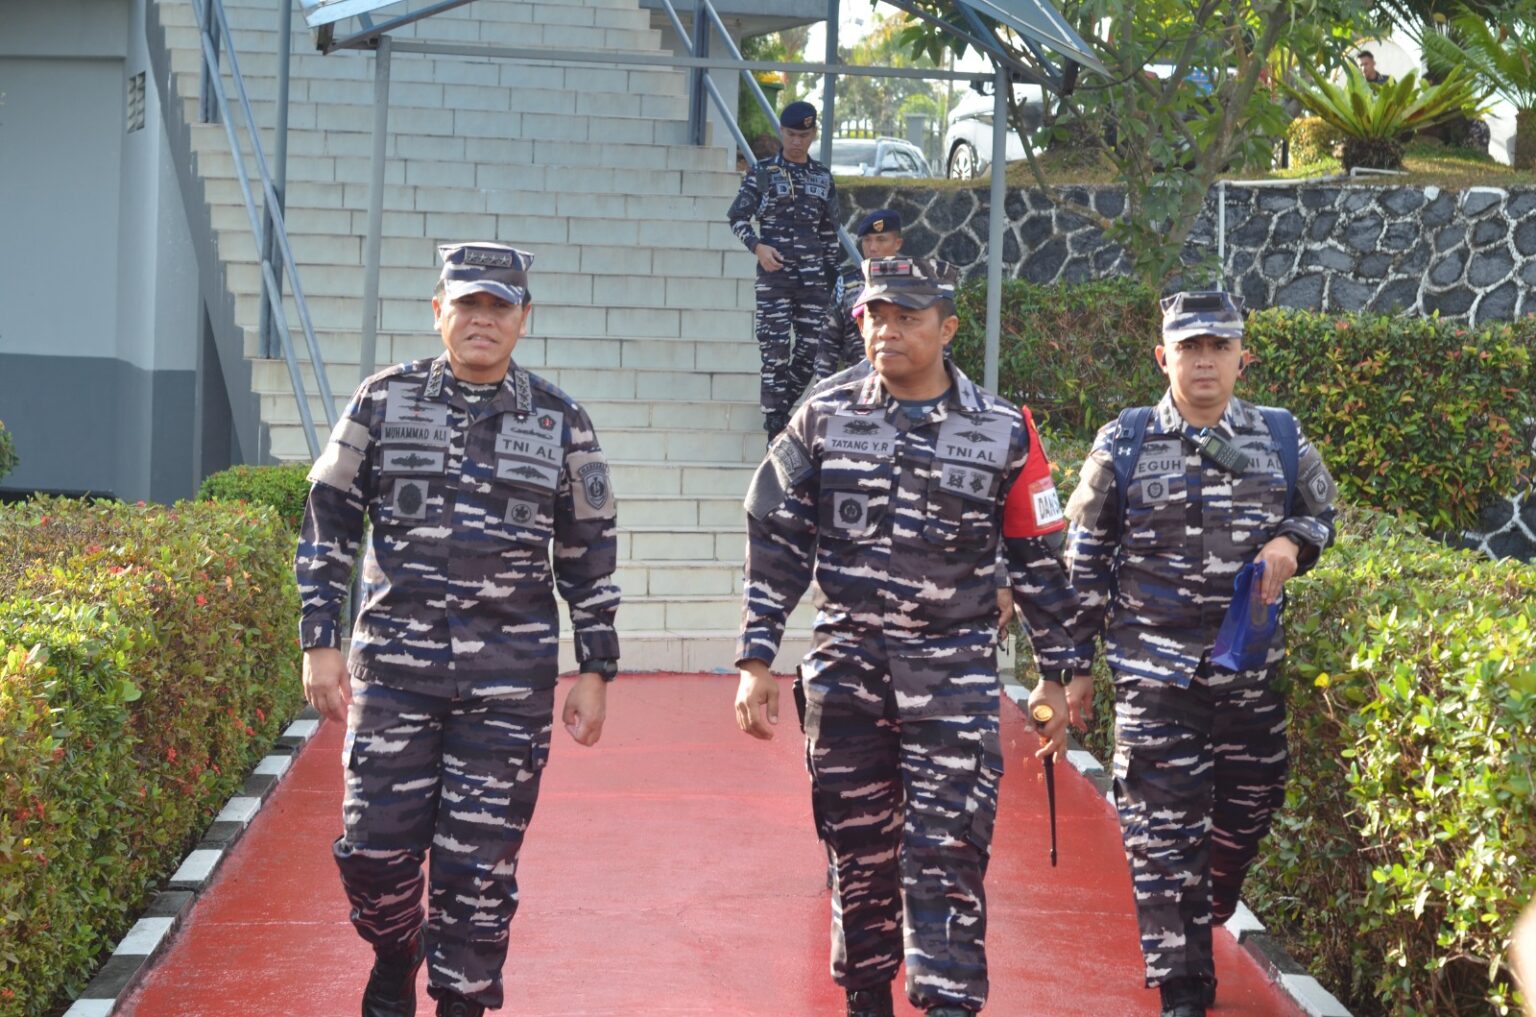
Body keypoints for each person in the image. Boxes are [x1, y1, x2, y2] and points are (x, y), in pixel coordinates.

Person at [733, 255, 1083, 1017]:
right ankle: (867, 997)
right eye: (875, 315)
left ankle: (949, 1001)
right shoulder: (822, 414)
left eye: (907, 316)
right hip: (848, 676)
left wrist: (1060, 670)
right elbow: (777, 534)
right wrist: (757, 653)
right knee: (858, 853)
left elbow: (1037, 554)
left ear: (947, 327)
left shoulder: (1002, 429)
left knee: (949, 850)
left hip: (953, 680)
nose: (887, 329)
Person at [295, 242, 621, 1017]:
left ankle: (461, 1002)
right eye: (467, 304)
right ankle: (394, 945)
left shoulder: (561, 421)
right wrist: (319, 638)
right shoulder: (383, 401)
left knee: (479, 872)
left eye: (498, 307)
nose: (482, 319)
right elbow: (329, 521)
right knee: (373, 852)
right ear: (438, 310)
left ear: (524, 319)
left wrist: (596, 669)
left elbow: (589, 550)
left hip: (507, 687)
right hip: (394, 677)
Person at [1040, 290, 1337, 1017]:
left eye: (1218, 347)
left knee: (1252, 806)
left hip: (1249, 679)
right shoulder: (1126, 440)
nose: (1203, 360)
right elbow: (1086, 560)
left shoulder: (1282, 435)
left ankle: (1209, 898)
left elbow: (1321, 513)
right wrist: (1073, 668)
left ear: (1243, 355)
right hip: (1154, 679)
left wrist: (1291, 543)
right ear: (1162, 355)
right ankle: (1184, 990)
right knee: (1163, 839)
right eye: (1189, 347)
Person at [728, 100, 843, 438]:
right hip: (775, 279)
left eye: (804, 135)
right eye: (792, 134)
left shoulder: (822, 177)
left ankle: (782, 408)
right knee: (775, 352)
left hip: (813, 281)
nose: (797, 141)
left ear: (813, 135)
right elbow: (736, 217)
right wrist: (757, 247)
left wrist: (833, 275)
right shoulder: (763, 173)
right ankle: (774, 424)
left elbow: (829, 231)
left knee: (811, 352)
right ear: (782, 132)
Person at [814, 208, 904, 383]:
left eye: (881, 240)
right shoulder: (847, 285)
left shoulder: (915, 284)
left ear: (898, 243)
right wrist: (821, 392)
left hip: (902, 387)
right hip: (857, 389)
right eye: (867, 240)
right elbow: (828, 344)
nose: (873, 247)